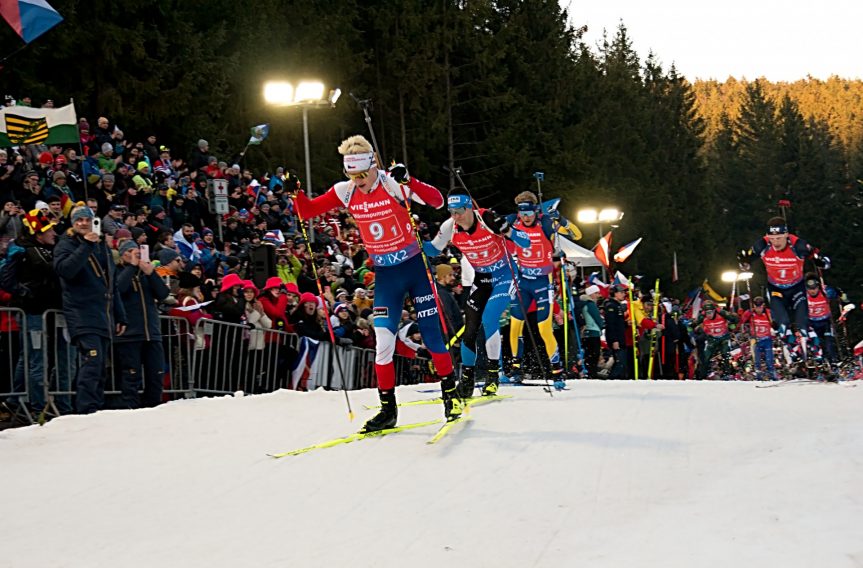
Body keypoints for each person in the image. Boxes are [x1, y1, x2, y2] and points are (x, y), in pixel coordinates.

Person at [294, 134, 458, 432]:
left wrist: (409, 181)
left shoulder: (391, 182)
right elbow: (306, 211)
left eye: (361, 175)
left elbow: (437, 201)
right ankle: (388, 410)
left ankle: (451, 395)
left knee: (433, 337)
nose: (357, 181)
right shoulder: (345, 191)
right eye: (351, 175)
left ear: (373, 167)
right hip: (386, 275)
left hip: (415, 268)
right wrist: (295, 194)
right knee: (383, 343)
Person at [425, 185, 530, 397]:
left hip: (505, 275)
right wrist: (414, 237)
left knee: (490, 318)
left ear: (470, 208)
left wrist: (507, 230)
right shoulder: (449, 227)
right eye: (451, 212)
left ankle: (493, 375)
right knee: (470, 327)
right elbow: (432, 249)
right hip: (482, 278)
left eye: (460, 212)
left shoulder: (487, 219)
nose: (456, 217)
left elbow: (524, 242)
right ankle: (467, 379)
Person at [54, 206, 127, 414]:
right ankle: (86, 410)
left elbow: (111, 284)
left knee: (101, 367)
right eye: (79, 220)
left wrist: (120, 315)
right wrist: (86, 245)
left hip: (103, 315)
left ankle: (95, 410)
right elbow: (66, 270)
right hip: (81, 313)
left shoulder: (101, 247)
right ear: (72, 223)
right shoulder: (66, 244)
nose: (83, 223)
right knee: (92, 362)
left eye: (87, 219)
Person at [505, 191, 580, 388]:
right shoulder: (513, 221)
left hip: (541, 283)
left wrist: (561, 220)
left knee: (544, 329)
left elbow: (577, 234)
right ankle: (515, 369)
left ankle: (557, 371)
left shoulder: (546, 223)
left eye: (529, 213)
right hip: (523, 283)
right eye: (522, 213)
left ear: (536, 211)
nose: (526, 217)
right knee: (514, 327)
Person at [739, 217, 828, 361]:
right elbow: (747, 259)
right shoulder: (762, 245)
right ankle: (795, 355)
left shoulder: (797, 245)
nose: (776, 242)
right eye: (772, 238)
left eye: (779, 238)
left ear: (786, 235)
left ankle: (819, 357)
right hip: (776, 289)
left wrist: (821, 262)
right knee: (782, 325)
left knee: (803, 325)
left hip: (796, 288)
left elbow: (818, 257)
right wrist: (744, 262)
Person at [11, 209, 67, 414]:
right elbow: (51, 269)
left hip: (42, 311)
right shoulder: (29, 251)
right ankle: (38, 406)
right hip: (33, 312)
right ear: (38, 233)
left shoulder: (41, 248)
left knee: (28, 358)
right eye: (50, 230)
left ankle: (15, 400)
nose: (54, 233)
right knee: (36, 359)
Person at [114, 240, 171, 408]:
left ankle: (153, 408)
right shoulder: (117, 271)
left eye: (137, 251)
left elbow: (163, 293)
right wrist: (131, 267)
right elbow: (118, 289)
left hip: (151, 332)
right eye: (131, 252)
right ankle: (129, 409)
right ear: (123, 254)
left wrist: (151, 273)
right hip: (129, 333)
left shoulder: (146, 273)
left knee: (156, 374)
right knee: (131, 376)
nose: (136, 255)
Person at [693, 299, 739, 379]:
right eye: (707, 312)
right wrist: (694, 329)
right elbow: (693, 325)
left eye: (710, 312)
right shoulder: (702, 316)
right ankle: (701, 376)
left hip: (723, 338)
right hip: (712, 339)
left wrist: (732, 324)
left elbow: (735, 320)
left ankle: (727, 374)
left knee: (725, 354)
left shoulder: (721, 313)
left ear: (714, 310)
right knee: (705, 357)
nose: (709, 315)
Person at [804, 274, 838, 365]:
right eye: (810, 289)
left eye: (814, 288)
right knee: (816, 342)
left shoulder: (825, 291)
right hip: (811, 323)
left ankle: (832, 363)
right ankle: (820, 362)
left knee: (829, 343)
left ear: (818, 286)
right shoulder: (803, 294)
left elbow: (835, 294)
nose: (812, 291)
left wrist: (837, 292)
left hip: (825, 322)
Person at [603, 284, 629, 379]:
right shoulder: (611, 306)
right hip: (616, 338)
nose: (623, 294)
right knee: (619, 362)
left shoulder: (618, 306)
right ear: (615, 293)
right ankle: (610, 380)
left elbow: (618, 323)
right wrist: (614, 340)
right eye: (621, 292)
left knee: (622, 363)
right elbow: (611, 324)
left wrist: (626, 324)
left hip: (620, 337)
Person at [579, 284, 604, 379]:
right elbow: (597, 318)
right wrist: (602, 325)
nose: (598, 295)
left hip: (587, 333)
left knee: (588, 354)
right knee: (594, 354)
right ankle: (591, 373)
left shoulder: (584, 303)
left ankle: (588, 372)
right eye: (596, 293)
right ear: (591, 294)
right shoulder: (590, 304)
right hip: (593, 332)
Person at [749, 296, 777, 380]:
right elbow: (740, 321)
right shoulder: (750, 313)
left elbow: (776, 322)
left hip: (767, 339)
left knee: (769, 360)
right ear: (753, 306)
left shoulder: (768, 312)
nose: (758, 309)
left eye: (760, 307)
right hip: (755, 339)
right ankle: (758, 376)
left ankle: (772, 376)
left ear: (763, 305)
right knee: (757, 360)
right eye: (756, 307)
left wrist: (775, 324)